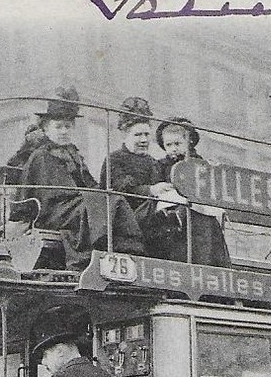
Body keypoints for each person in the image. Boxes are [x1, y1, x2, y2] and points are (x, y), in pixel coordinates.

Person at [13, 88, 145, 269]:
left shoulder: (73, 154)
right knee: (96, 203)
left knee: (113, 200)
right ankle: (100, 244)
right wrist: (86, 195)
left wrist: (101, 192)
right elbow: (50, 192)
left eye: (68, 126)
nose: (64, 131)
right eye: (58, 127)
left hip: (72, 204)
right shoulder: (41, 155)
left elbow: (88, 182)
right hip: (53, 210)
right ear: (46, 129)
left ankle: (128, 249)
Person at [99, 96, 175, 257]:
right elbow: (119, 190)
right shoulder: (114, 159)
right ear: (124, 135)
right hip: (126, 222)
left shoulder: (153, 162)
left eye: (147, 135)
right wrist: (151, 190)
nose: (143, 140)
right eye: (137, 135)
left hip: (152, 221)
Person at [153, 116, 231, 267]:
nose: (173, 148)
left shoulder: (199, 163)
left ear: (188, 142)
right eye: (169, 145)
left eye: (177, 143)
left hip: (198, 215)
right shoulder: (161, 165)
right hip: (173, 214)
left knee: (203, 248)